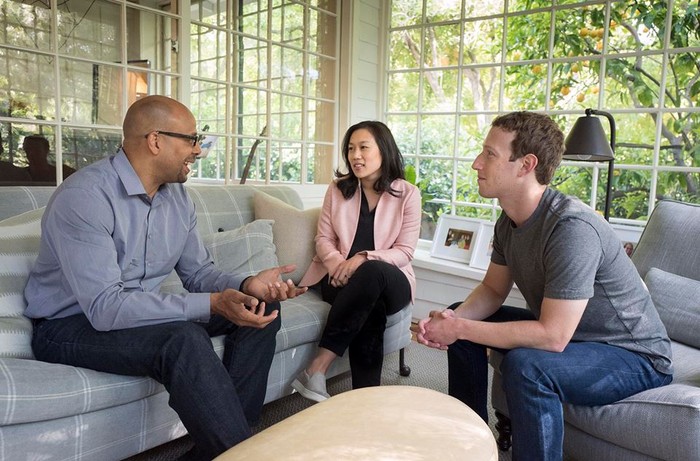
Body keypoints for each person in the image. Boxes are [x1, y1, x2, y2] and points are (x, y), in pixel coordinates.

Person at [24, 95, 307, 460]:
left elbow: (198, 273)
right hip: (69, 326)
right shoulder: (85, 196)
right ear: (155, 140)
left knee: (260, 308)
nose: (198, 150)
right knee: (183, 339)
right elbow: (106, 308)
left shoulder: (178, 199)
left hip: (135, 315)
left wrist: (245, 285)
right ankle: (243, 452)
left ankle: (231, 447)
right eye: (191, 139)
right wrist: (211, 303)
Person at [413, 111, 672, 461]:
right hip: (576, 337)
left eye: (490, 154)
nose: (477, 163)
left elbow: (553, 335)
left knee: (527, 366)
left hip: (633, 355)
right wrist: (451, 320)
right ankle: (470, 445)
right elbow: (493, 290)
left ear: (526, 165)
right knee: (462, 316)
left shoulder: (572, 228)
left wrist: (459, 327)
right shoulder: (508, 221)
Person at [291, 120, 421, 402]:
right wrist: (338, 264)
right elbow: (323, 238)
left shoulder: (408, 194)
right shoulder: (338, 189)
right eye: (350, 149)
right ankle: (365, 399)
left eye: (363, 147)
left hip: (392, 280)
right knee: (372, 307)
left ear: (384, 150)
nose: (355, 156)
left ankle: (318, 366)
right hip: (338, 277)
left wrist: (363, 258)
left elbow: (404, 251)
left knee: (372, 271)